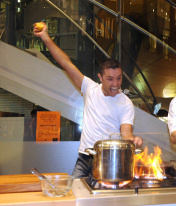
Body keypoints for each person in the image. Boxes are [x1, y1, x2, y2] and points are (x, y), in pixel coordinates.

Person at [33, 22, 143, 178]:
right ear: (100, 78)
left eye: (119, 78)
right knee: (75, 196)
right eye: (110, 79)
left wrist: (134, 140)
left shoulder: (126, 103)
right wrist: (44, 36)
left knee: (104, 201)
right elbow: (65, 63)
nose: (116, 84)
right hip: (84, 159)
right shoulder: (90, 88)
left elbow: (126, 133)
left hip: (109, 161)